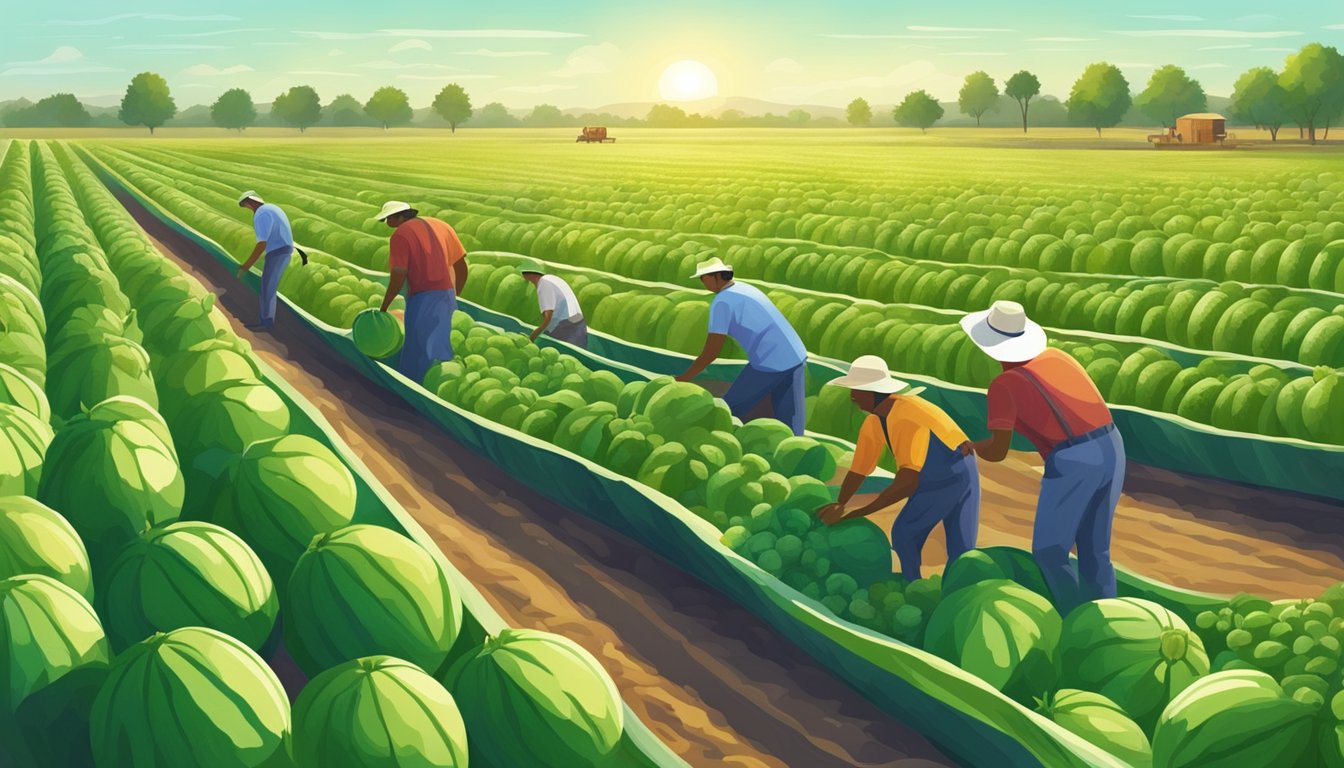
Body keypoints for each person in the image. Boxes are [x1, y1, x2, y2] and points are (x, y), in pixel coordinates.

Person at [958, 300, 1124, 614]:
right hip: (1112, 444)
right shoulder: (1058, 357)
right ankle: (1107, 618)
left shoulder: (1004, 385)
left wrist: (972, 446)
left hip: (1074, 458)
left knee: (1050, 550)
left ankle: (1073, 616)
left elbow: (997, 451)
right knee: (1095, 550)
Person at [816, 355, 980, 582]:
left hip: (953, 474)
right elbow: (859, 470)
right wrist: (840, 503)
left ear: (875, 392)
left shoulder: (905, 416)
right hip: (946, 472)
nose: (852, 397)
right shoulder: (875, 422)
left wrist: (857, 512)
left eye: (857, 390)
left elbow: (907, 482)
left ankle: (914, 585)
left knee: (909, 533)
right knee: (949, 542)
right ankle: (922, 586)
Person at [676, 257, 808, 435]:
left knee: (728, 411)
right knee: (791, 425)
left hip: (770, 361)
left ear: (715, 276)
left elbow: (712, 350)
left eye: (703, 278)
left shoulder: (722, 302)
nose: (703, 283)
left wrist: (685, 377)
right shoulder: (745, 288)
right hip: (795, 354)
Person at [374, 201, 468, 383]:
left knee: (417, 349)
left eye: (387, 219)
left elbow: (398, 275)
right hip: (446, 295)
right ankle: (439, 389)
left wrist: (384, 306)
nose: (387, 223)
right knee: (441, 347)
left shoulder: (401, 235)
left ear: (398, 217)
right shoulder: (442, 226)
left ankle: (410, 391)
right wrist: (455, 295)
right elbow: (461, 265)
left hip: (422, 297)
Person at [236, 191, 295, 330]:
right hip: (284, 249)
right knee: (269, 286)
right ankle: (267, 320)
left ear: (250, 202)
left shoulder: (261, 214)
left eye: (246, 205)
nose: (248, 208)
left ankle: (266, 323)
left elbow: (262, 243)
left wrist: (245, 266)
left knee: (268, 288)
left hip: (278, 252)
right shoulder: (273, 208)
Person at [518, 259, 588, 348]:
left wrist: (533, 336)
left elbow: (548, 317)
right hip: (578, 322)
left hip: (567, 326)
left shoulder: (543, 285)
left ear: (530, 274)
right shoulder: (550, 278)